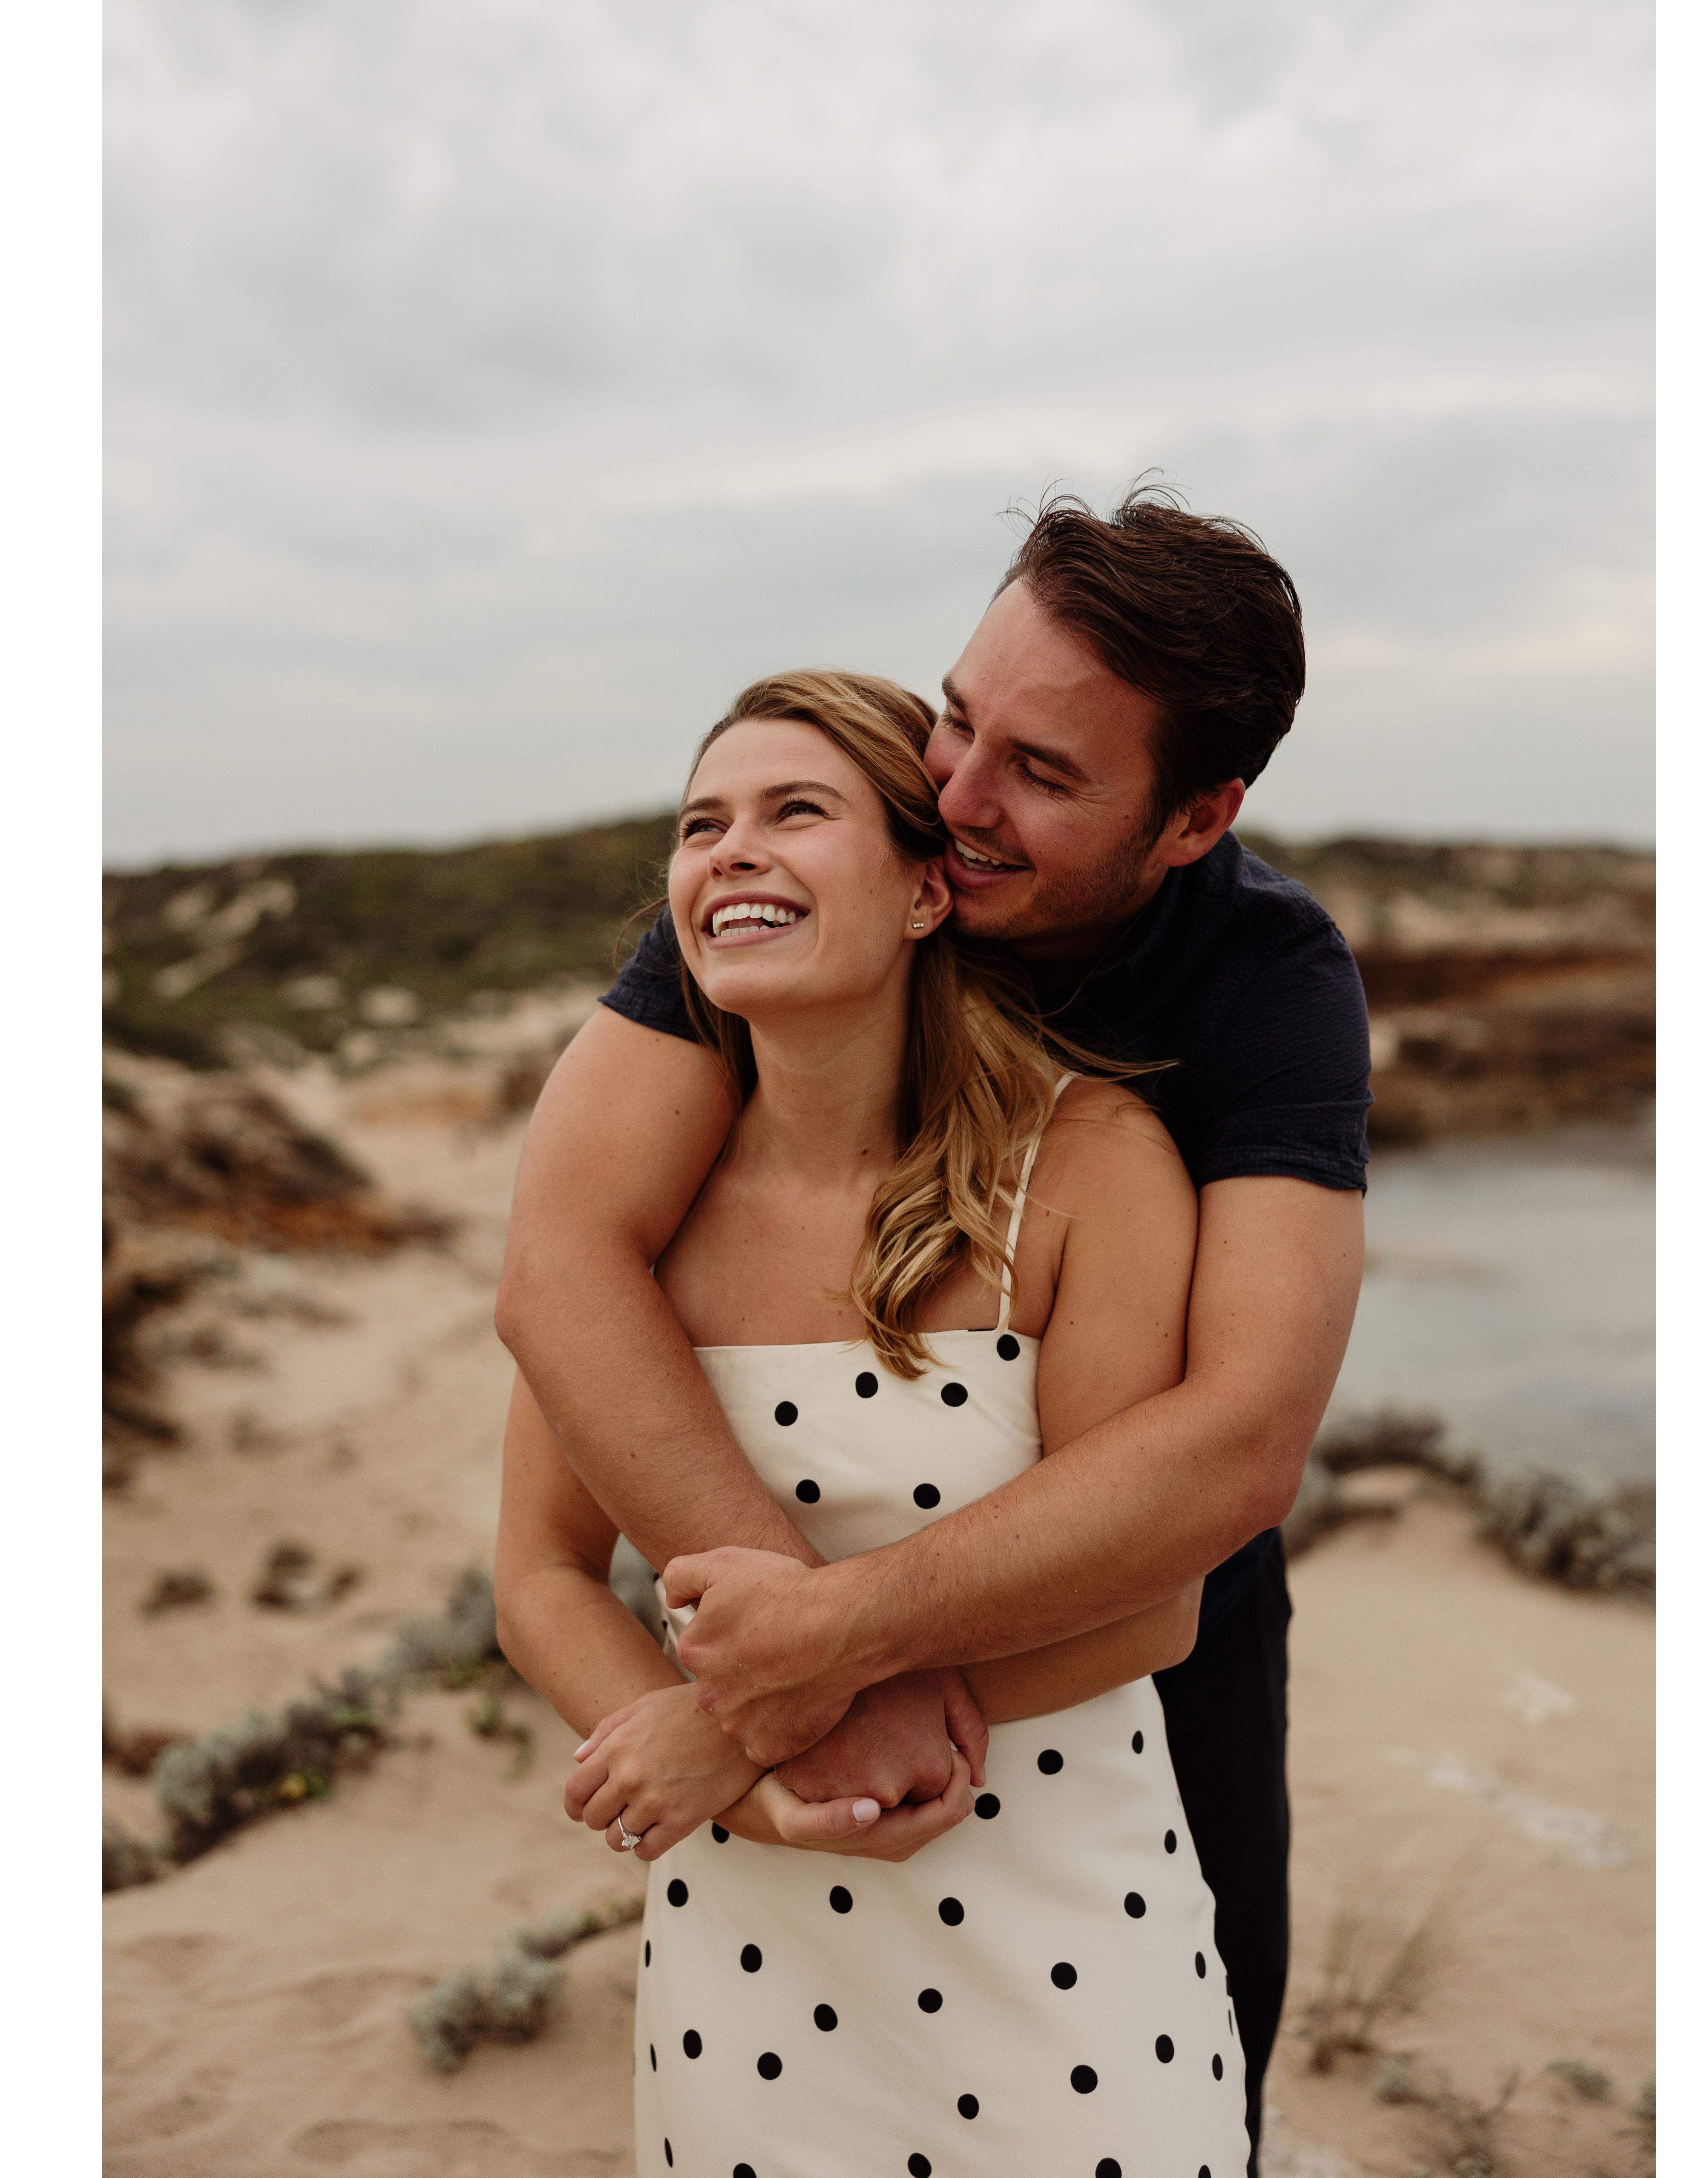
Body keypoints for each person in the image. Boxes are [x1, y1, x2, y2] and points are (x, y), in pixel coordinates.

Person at [495, 487, 1371, 2162]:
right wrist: (787, 1689)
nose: (957, 798)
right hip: (776, 1789)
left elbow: (1239, 1440)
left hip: (1129, 1601)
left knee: (1206, 2051)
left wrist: (827, 1651)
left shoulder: (1259, 986)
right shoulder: (788, 894)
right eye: (961, 716)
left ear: (1193, 819)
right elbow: (563, 1272)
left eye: (1041, 772)